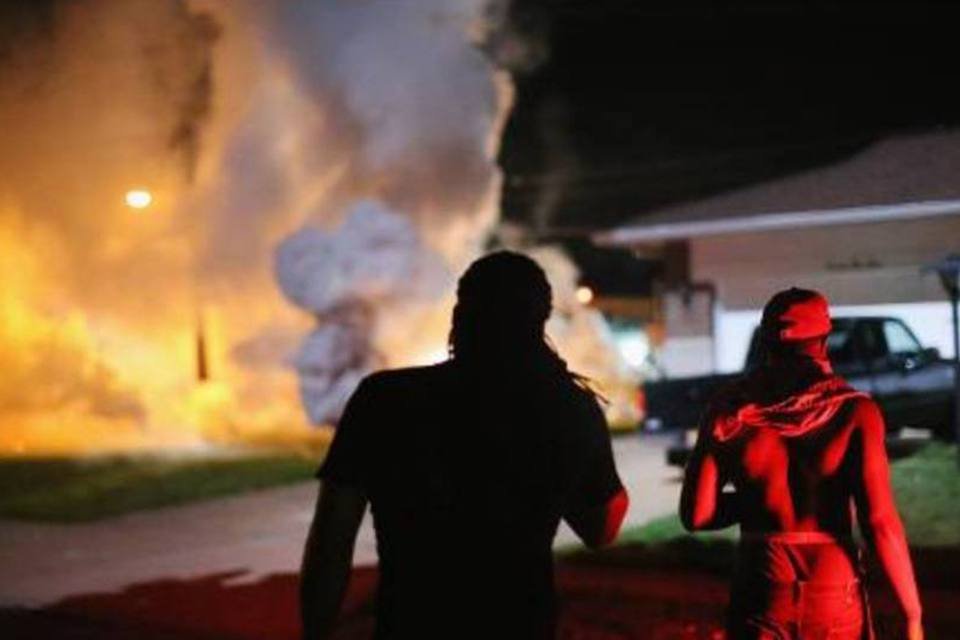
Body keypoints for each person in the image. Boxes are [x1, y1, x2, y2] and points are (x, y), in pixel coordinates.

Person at [300, 250, 629, 639]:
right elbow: (600, 529)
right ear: (540, 324)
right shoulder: (566, 407)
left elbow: (331, 539)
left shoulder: (384, 400)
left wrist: (316, 632)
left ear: (460, 316)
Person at [680, 288, 923, 640]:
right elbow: (880, 522)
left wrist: (756, 502)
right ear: (823, 342)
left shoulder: (730, 411)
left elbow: (697, 515)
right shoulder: (855, 412)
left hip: (761, 591)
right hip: (833, 592)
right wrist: (911, 614)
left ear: (765, 342)